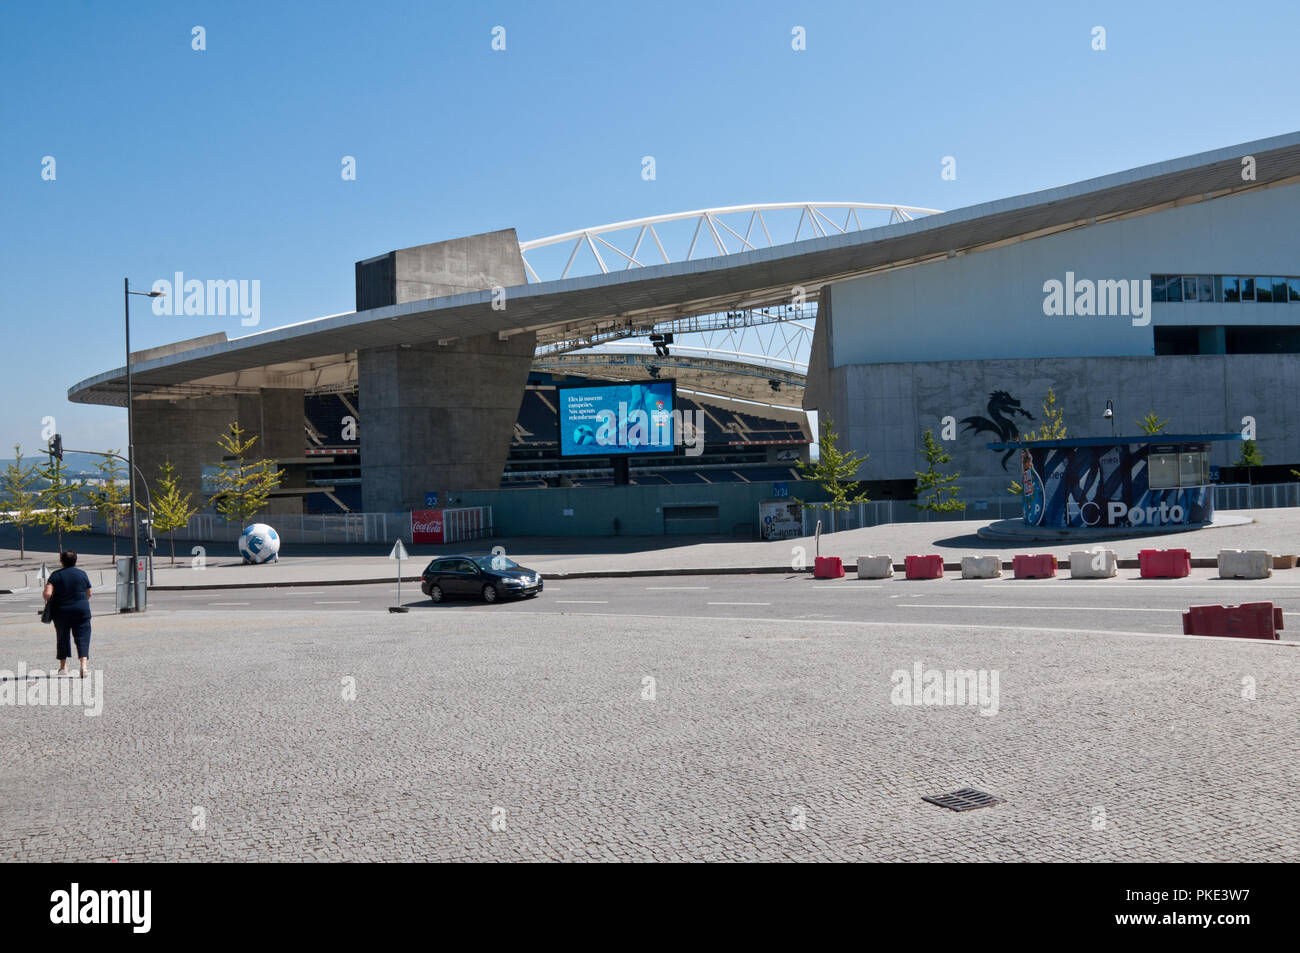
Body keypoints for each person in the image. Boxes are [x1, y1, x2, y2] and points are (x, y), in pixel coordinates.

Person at [43, 551, 93, 678]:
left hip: (61, 611)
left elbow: (47, 594)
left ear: (61, 561)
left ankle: (63, 667)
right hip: (81, 609)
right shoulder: (82, 574)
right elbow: (89, 593)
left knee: (62, 637)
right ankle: (84, 666)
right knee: (83, 637)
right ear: (75, 560)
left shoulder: (55, 575)